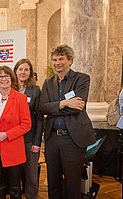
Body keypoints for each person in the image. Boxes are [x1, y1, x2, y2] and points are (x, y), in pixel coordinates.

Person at [39, 44, 96, 199]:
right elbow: (43, 107)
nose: (57, 62)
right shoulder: (48, 83)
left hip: (73, 139)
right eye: (55, 59)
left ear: (70, 60)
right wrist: (64, 103)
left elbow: (77, 107)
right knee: (53, 181)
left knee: (72, 183)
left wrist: (54, 107)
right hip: (52, 139)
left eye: (61, 59)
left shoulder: (82, 78)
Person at [0, 65, 31, 199]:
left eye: (6, 76)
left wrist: (6, 134)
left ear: (12, 78)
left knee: (15, 187)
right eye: (0, 76)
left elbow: (26, 124)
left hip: (12, 148)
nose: (3, 79)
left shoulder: (20, 98)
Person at [13, 59, 43, 199]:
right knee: (14, 173)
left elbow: (39, 117)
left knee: (31, 174)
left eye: (26, 69)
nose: (23, 72)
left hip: (29, 139)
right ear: (15, 71)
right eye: (20, 69)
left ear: (30, 72)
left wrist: (37, 142)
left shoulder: (35, 90)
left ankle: (31, 196)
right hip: (12, 139)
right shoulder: (9, 88)